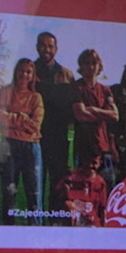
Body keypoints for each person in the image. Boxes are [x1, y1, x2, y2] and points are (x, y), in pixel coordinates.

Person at [31, 31, 78, 205]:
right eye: (43, 45)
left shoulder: (66, 75)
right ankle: (35, 224)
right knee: (36, 184)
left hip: (59, 138)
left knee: (58, 185)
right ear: (37, 47)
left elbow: (74, 107)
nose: (46, 49)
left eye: (50, 46)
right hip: (35, 138)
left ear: (56, 49)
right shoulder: (30, 72)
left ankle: (56, 222)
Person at [0, 57, 45, 217]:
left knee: (34, 195)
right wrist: (23, 118)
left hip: (31, 148)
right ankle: (7, 233)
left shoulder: (36, 97)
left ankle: (35, 235)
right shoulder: (6, 92)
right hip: (9, 146)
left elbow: (35, 126)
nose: (24, 74)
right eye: (21, 70)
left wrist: (12, 118)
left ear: (33, 75)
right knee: (9, 193)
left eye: (28, 71)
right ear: (16, 72)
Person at [70, 48, 119, 183]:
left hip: (103, 147)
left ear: (99, 66)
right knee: (84, 189)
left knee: (105, 187)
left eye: (94, 63)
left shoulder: (105, 90)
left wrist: (93, 110)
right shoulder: (77, 87)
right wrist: (103, 115)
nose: (90, 66)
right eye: (86, 63)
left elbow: (115, 116)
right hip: (83, 147)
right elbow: (80, 114)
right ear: (81, 65)